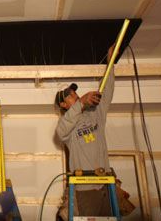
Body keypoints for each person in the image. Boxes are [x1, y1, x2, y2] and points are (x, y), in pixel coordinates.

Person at [55, 45, 117, 219]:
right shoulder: (66, 125)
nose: (74, 95)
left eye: (74, 92)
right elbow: (61, 131)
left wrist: (110, 62)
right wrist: (81, 103)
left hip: (105, 183)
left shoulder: (95, 113)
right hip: (85, 188)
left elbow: (108, 90)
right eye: (69, 95)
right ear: (63, 105)